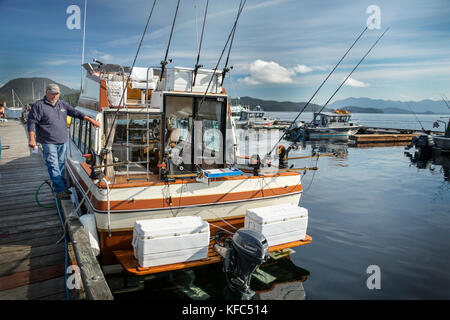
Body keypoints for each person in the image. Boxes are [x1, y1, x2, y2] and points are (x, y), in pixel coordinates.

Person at [27, 83, 100, 200]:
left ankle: (62, 186)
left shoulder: (62, 104)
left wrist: (91, 120)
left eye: (57, 94)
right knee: (53, 165)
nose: (54, 96)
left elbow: (77, 113)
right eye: (52, 94)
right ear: (46, 93)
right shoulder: (39, 106)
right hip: (47, 141)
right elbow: (31, 122)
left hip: (62, 140)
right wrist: (31, 139)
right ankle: (59, 190)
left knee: (61, 164)